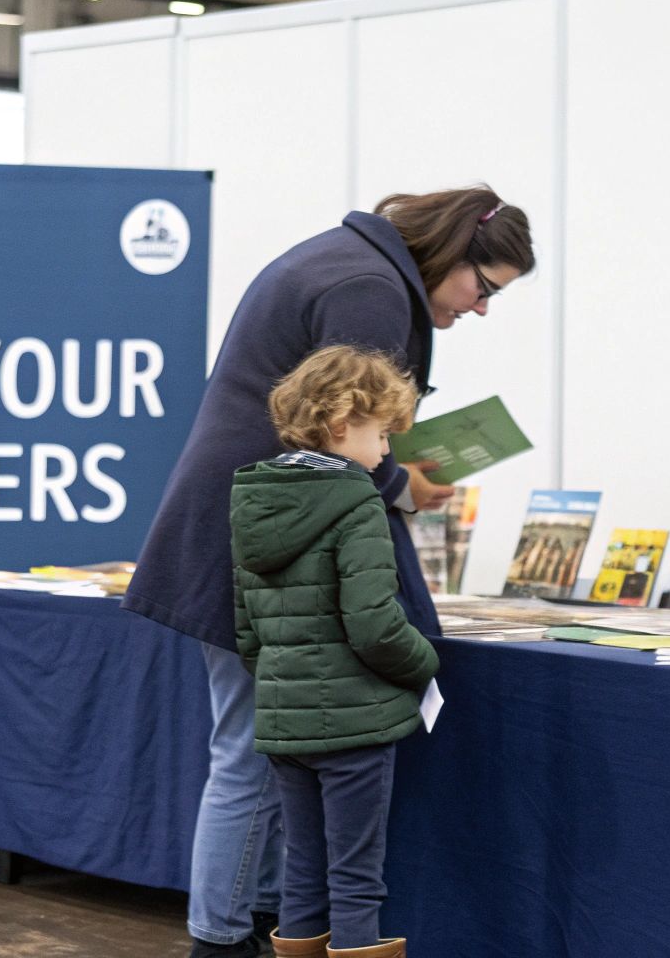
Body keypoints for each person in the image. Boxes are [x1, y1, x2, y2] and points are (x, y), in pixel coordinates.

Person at [123, 186, 534, 957]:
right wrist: (398, 484)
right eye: (484, 288)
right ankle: (220, 940)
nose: (480, 308)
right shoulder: (369, 291)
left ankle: (269, 931)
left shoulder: (343, 263)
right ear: (451, 253)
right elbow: (338, 432)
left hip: (242, 532)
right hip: (263, 552)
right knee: (252, 752)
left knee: (260, 753)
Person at [232, 346, 440, 958]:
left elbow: (247, 633)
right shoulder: (357, 504)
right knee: (356, 880)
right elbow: (375, 627)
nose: (384, 453)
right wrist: (425, 662)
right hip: (355, 727)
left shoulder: (254, 502)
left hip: (283, 725)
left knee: (302, 871)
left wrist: (288, 686)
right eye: (381, 435)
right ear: (342, 425)